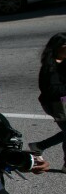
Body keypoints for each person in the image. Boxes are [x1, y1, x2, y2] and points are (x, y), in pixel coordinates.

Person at [28, 32, 66, 170]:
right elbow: (51, 90)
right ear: (57, 47)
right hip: (56, 105)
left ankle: (39, 146)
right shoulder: (49, 67)